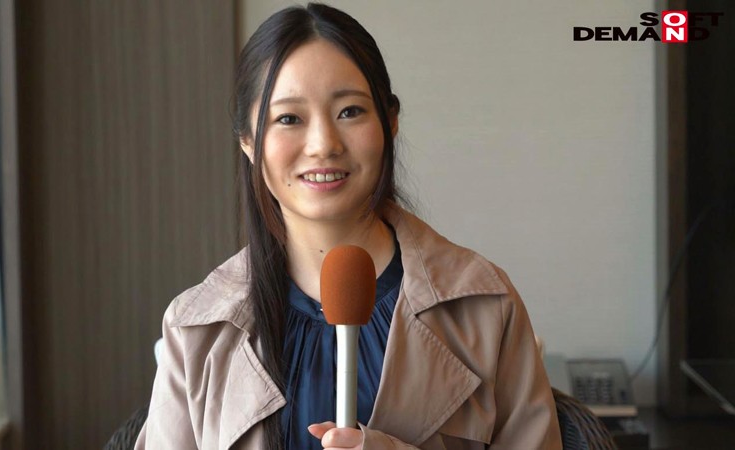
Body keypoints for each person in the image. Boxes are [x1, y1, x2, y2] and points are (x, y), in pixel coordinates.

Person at [136, 3, 560, 449]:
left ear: (390, 122)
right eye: (289, 118)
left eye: (350, 111)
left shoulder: (484, 307)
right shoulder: (196, 327)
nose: (323, 144)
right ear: (247, 139)